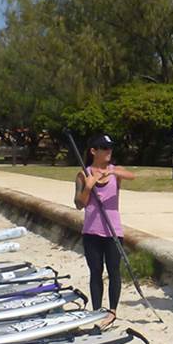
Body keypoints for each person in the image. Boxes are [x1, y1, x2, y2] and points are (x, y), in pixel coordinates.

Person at [72, 133, 135, 318]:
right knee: (96, 272)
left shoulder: (115, 171)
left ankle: (112, 310)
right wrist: (88, 187)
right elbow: (79, 204)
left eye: (110, 148)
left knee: (114, 271)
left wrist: (112, 172)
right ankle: (97, 310)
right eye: (105, 148)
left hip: (113, 231)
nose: (109, 151)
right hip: (91, 232)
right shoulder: (83, 174)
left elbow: (132, 176)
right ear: (94, 151)